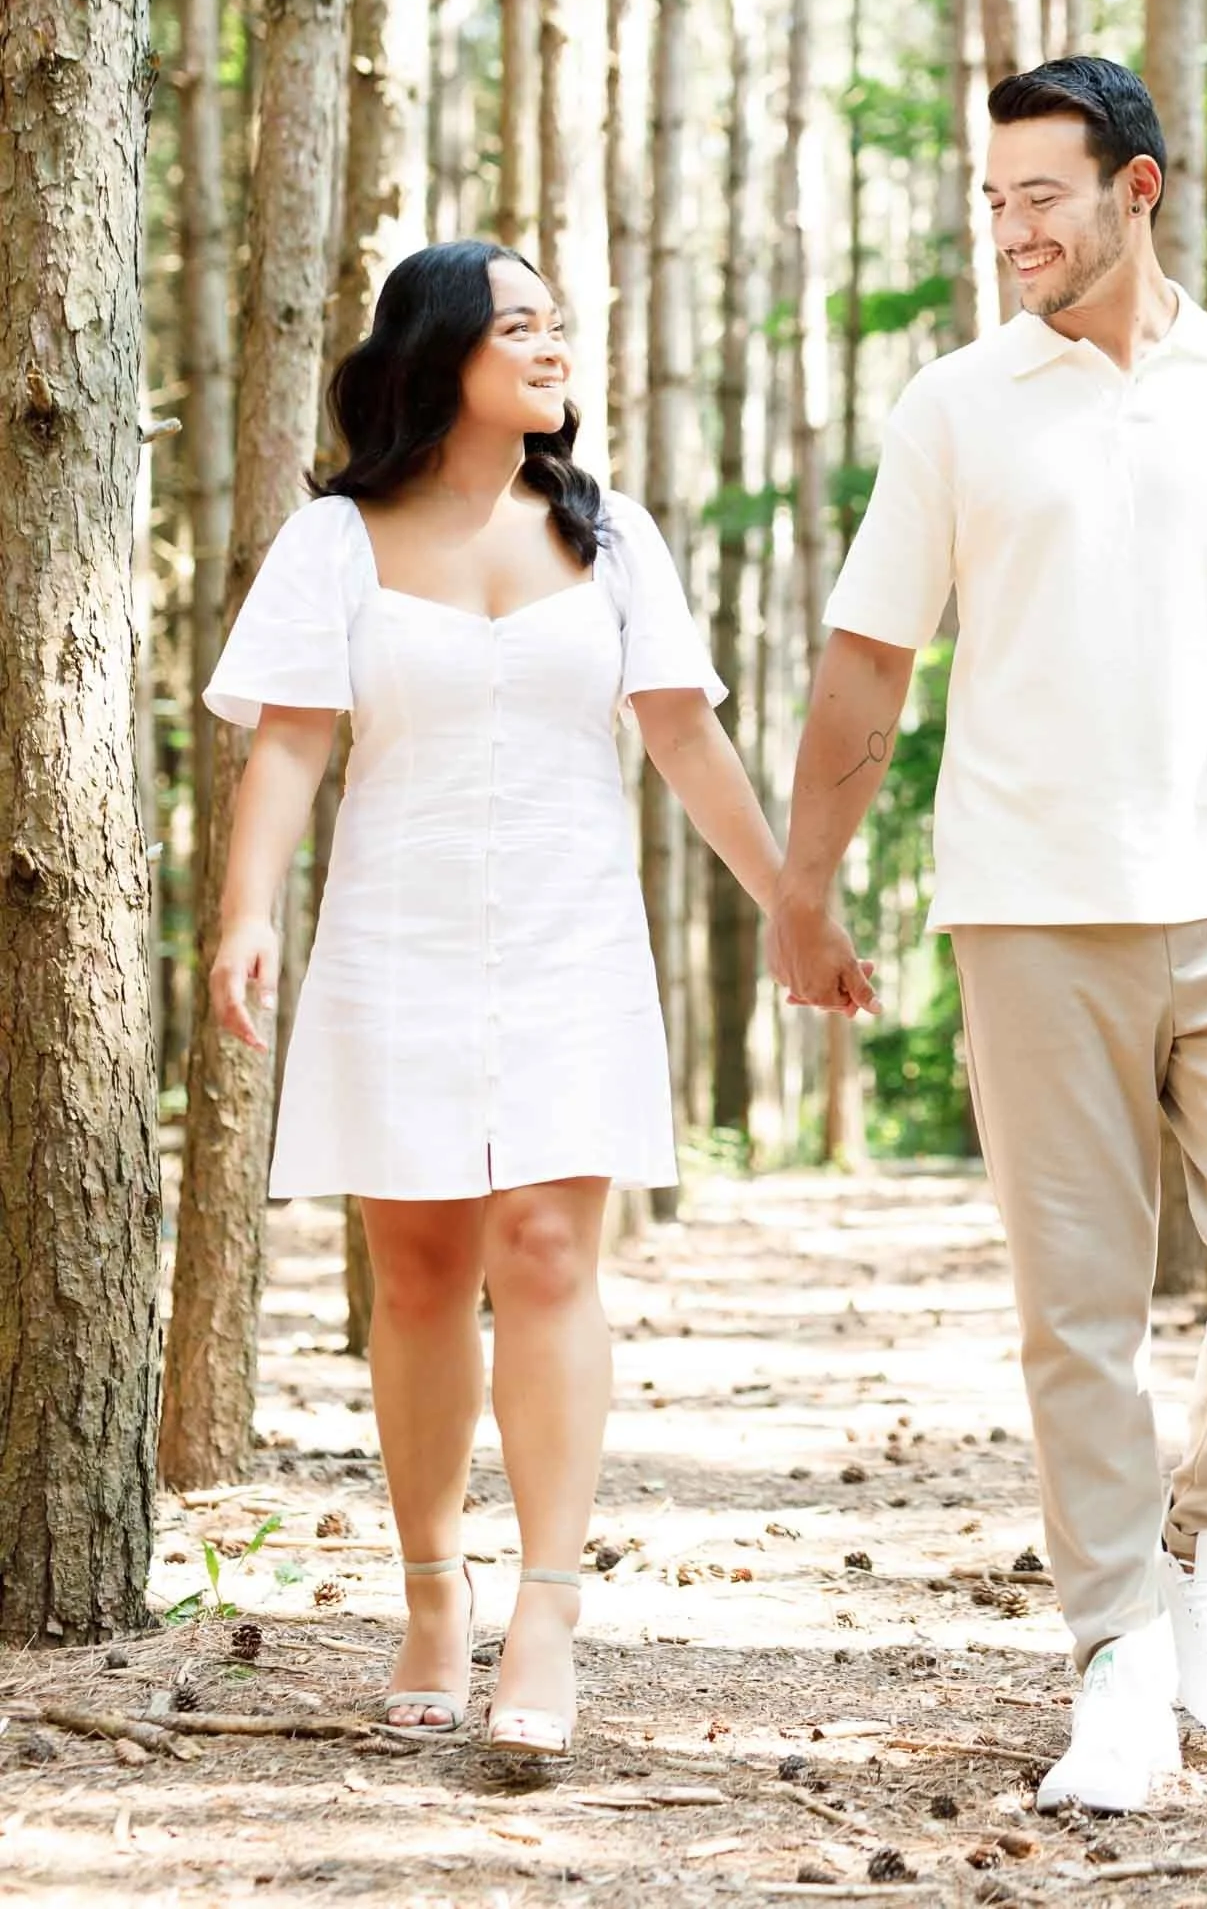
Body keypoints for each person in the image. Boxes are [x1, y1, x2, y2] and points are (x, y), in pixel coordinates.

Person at [767, 58, 1207, 1812]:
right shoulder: (954, 408)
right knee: (1075, 1303)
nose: (1009, 230)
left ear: (1134, 192)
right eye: (992, 200)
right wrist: (803, 885)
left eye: (1040, 198)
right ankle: (1114, 1657)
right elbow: (867, 659)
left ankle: (1205, 1537)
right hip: (1025, 900)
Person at [205, 240, 782, 1755]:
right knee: (414, 1273)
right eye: (516, 323)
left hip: (568, 936)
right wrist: (248, 914)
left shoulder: (613, 537)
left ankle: (547, 1608)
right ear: (440, 350)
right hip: (391, 932)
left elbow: (685, 739)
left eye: (555, 323)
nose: (550, 344)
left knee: (544, 1250)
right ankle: (429, 1595)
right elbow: (288, 743)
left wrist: (789, 896)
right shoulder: (334, 540)